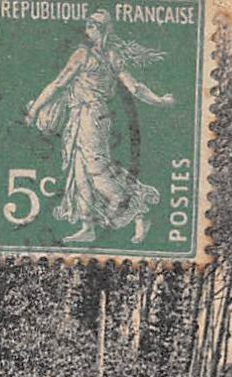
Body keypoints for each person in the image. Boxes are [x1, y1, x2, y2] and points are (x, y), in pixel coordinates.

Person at [25, 10, 174, 244]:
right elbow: (135, 87)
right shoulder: (112, 56)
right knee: (80, 172)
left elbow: (57, 84)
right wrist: (160, 100)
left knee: (97, 172)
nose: (88, 29)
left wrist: (34, 110)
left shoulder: (83, 55)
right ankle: (88, 226)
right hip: (83, 116)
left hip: (90, 117)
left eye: (91, 25)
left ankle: (140, 211)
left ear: (97, 29)